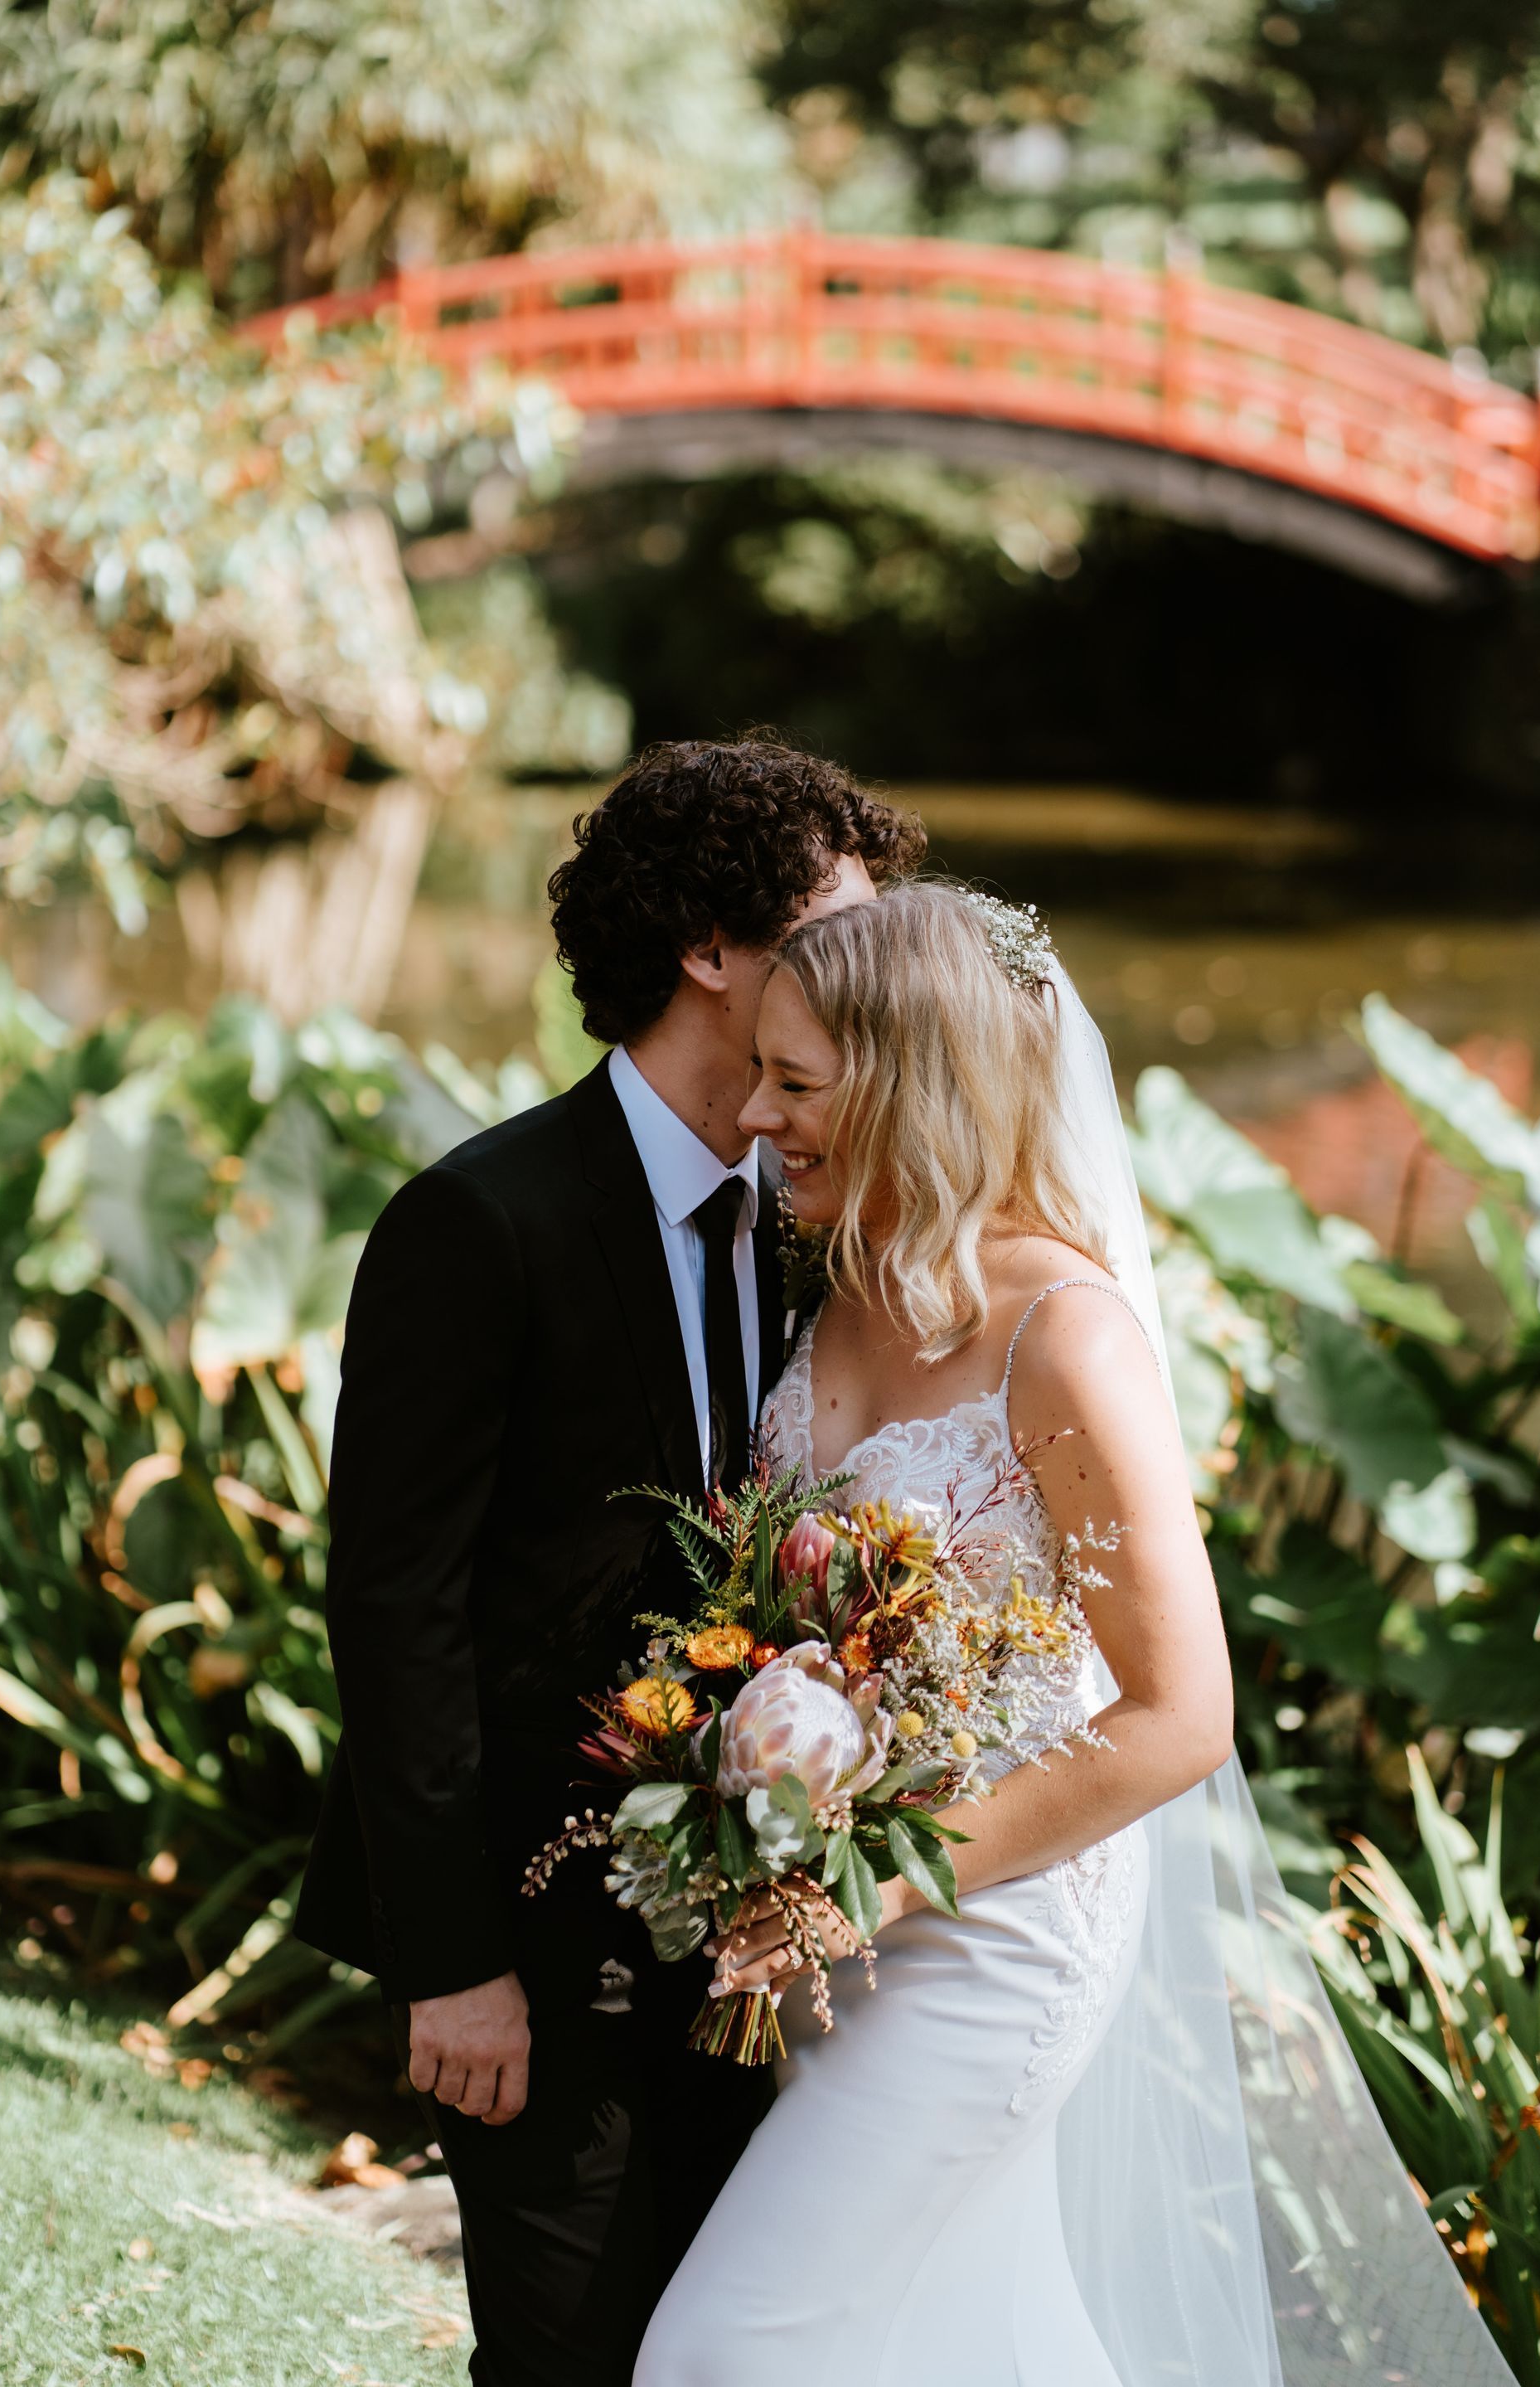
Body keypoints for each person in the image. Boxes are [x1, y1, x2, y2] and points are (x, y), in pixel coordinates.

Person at [634, 882, 1518, 2387]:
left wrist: (876, 1893)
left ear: (917, 1088)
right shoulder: (840, 1279)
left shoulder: (1069, 1340)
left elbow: (1182, 1716)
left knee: (727, 2350)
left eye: (797, 1085)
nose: (756, 1115)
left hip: (998, 1934)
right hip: (842, 1924)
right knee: (961, 2338)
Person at [293, 738, 926, 2387]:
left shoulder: (825, 1216)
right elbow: (396, 1605)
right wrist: (456, 1967)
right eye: (836, 927)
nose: (876, 968)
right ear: (711, 950)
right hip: (525, 1938)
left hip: (756, 1936)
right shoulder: (479, 1222)